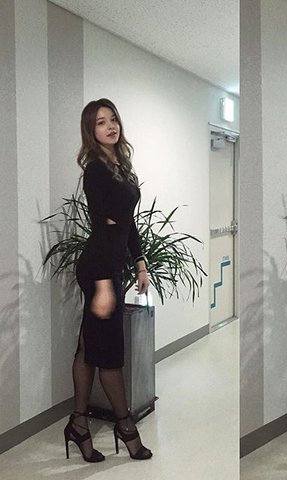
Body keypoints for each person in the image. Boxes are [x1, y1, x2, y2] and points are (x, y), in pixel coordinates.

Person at [63, 98, 152, 462]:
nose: (110, 126)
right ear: (91, 130)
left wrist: (141, 263)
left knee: (89, 348)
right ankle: (125, 426)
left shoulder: (122, 168)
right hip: (99, 269)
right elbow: (103, 227)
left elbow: (127, 224)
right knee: (111, 356)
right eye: (101, 122)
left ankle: (79, 425)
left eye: (113, 119)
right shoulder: (96, 171)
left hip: (111, 267)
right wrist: (102, 285)